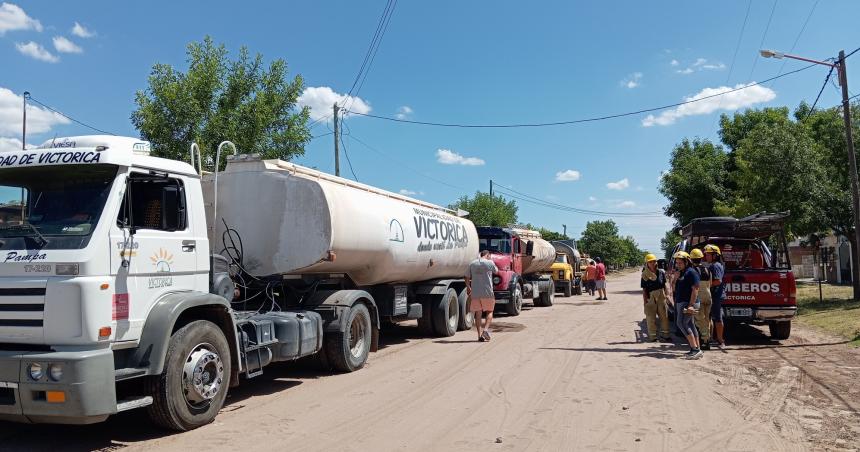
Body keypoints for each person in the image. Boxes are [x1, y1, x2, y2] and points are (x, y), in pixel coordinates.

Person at [672, 251, 702, 359]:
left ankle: (695, 349)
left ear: (686, 262)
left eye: (680, 263)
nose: (677, 265)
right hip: (682, 302)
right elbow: (674, 288)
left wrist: (690, 305)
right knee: (690, 325)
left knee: (682, 324)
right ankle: (696, 348)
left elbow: (696, 289)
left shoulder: (691, 272)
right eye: (677, 263)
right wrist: (675, 278)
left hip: (688, 303)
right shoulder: (682, 272)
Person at [465, 250, 499, 342]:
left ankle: (479, 335)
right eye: (489, 256)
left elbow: (467, 277)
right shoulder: (490, 262)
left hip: (475, 292)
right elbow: (496, 271)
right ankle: (485, 330)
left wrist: (468, 287)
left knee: (478, 314)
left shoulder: (472, 263)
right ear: (488, 255)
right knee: (490, 311)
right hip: (487, 292)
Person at [641, 253, 670, 342]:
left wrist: (667, 295)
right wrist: (645, 301)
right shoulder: (644, 275)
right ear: (647, 263)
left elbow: (664, 285)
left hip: (661, 296)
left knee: (664, 316)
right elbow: (644, 290)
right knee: (651, 317)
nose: (652, 263)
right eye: (650, 262)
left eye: (654, 261)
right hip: (651, 297)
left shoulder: (661, 272)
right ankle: (653, 337)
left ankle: (666, 335)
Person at [704, 244, 727, 349]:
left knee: (717, 318)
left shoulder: (715, 266)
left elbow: (718, 281)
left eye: (708, 255)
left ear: (715, 255)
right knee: (710, 317)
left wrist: (706, 285)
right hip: (714, 295)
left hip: (716, 296)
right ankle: (710, 338)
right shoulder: (715, 265)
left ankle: (720, 340)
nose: (706, 257)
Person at [690, 248, 713, 350]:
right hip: (708, 296)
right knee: (707, 319)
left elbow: (692, 287)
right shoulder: (707, 269)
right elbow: (710, 284)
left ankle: (704, 340)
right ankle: (708, 337)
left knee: (700, 320)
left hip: (698, 297)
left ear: (691, 259)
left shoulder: (692, 271)